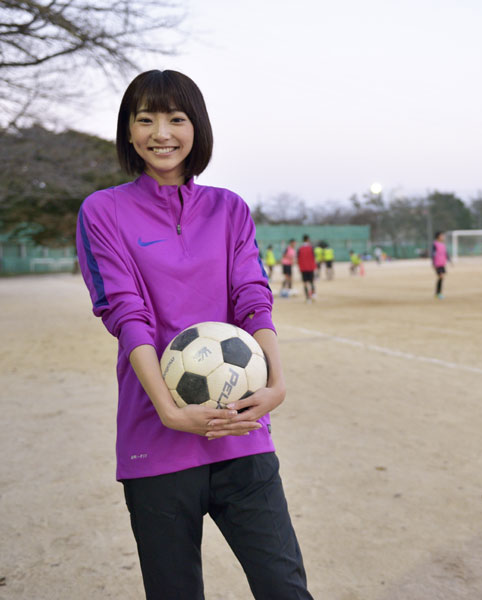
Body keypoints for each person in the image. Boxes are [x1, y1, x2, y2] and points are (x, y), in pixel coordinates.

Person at [74, 70, 313, 599]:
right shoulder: (103, 211)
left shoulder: (228, 209)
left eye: (176, 118)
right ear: (130, 132)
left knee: (284, 588)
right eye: (146, 119)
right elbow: (126, 314)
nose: (162, 132)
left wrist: (275, 385)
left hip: (239, 430)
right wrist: (169, 410)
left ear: (196, 127)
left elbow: (253, 298)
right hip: (155, 439)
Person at [297, 234, 317, 302]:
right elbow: (314, 258)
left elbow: (298, 258)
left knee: (305, 283)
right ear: (308, 239)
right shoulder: (311, 248)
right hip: (310, 267)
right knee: (311, 282)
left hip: (303, 268)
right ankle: (313, 294)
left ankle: (308, 298)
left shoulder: (300, 248)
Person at [431, 231, 450, 299]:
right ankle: (438, 293)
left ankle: (438, 293)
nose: (443, 237)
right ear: (438, 236)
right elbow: (433, 254)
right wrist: (433, 263)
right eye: (442, 236)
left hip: (442, 263)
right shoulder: (435, 244)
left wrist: (449, 260)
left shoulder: (443, 244)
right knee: (441, 277)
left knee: (441, 277)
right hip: (437, 264)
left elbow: (446, 253)